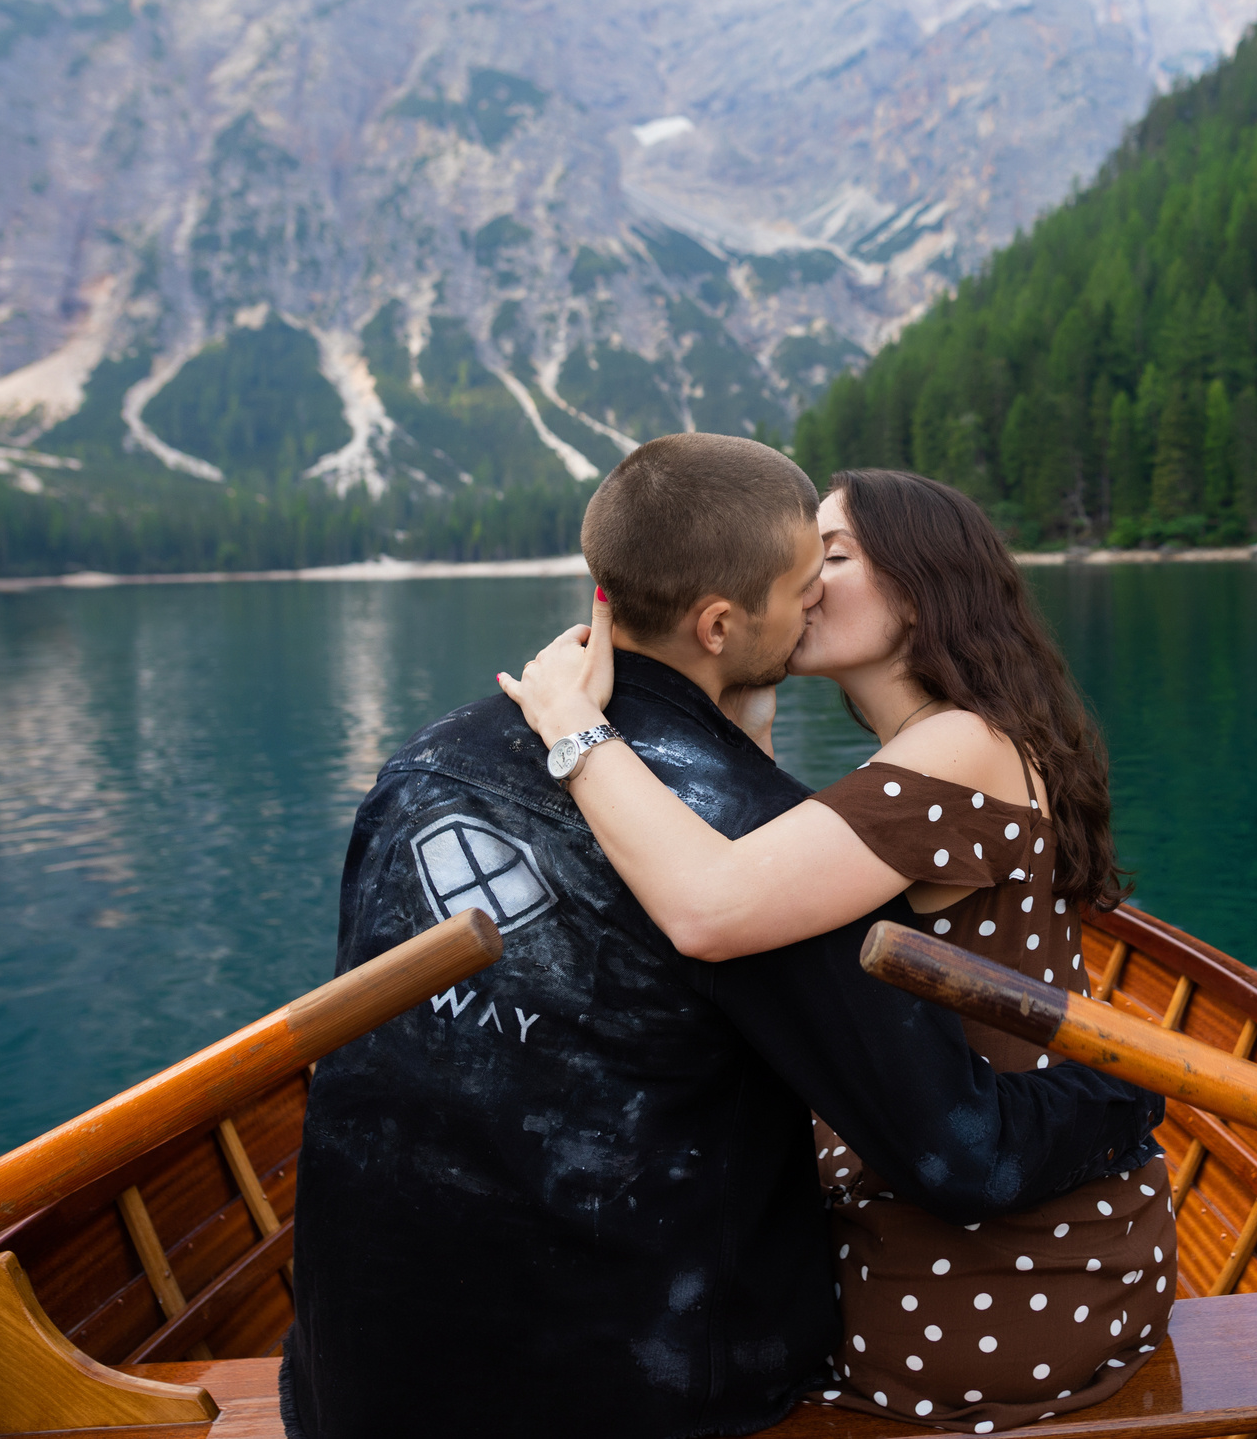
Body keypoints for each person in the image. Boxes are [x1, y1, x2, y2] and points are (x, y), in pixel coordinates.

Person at [284, 436, 1163, 1439]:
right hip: (640, 1393)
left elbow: (722, 874)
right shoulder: (756, 823)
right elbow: (949, 1143)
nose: (813, 596)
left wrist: (647, 704)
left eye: (833, 559)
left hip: (348, 1387)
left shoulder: (422, 764)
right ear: (719, 619)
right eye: (805, 572)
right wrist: (1127, 1088)